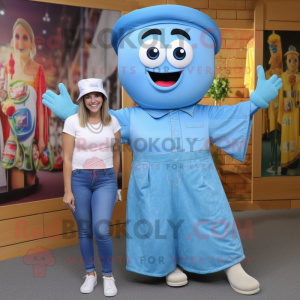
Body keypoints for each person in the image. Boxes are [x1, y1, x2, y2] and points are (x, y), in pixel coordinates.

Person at [43, 5, 282, 296]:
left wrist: (255, 101)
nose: (165, 64)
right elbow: (101, 124)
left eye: (180, 52)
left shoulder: (204, 113)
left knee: (210, 215)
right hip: (151, 182)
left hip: (199, 178)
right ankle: (169, 264)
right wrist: (72, 112)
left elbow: (230, 117)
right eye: (152, 53)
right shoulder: (132, 117)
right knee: (157, 221)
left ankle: (232, 264)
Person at [62, 78, 121, 296]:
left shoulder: (113, 122)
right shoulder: (72, 122)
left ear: (103, 97)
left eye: (96, 95)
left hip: (106, 179)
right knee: (85, 229)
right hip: (79, 179)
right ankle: (90, 274)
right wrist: (67, 191)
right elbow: (67, 158)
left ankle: (108, 276)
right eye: (88, 96)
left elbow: (116, 153)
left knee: (101, 229)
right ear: (82, 100)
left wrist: (116, 184)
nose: (93, 100)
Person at [0, 18, 50, 189]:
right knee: (16, 183)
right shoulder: (6, 69)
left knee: (30, 185)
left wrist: (42, 138)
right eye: (17, 36)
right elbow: (5, 98)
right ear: (13, 40)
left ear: (31, 42)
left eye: (25, 37)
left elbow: (42, 107)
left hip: (31, 136)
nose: (20, 41)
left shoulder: (38, 70)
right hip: (12, 134)